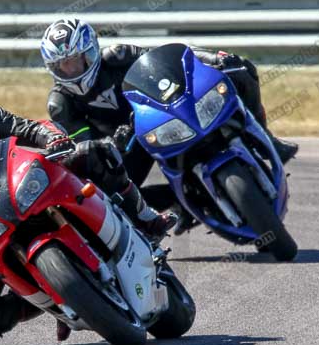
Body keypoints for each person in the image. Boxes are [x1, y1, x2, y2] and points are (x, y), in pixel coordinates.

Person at [0, 69, 174, 343]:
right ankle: (54, 301)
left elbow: (29, 128)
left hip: (25, 186)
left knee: (96, 153)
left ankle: (145, 218)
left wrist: (55, 139)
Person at [40, 18, 299, 230]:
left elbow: (167, 60)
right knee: (112, 199)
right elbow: (85, 145)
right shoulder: (61, 103)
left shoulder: (118, 55)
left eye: (75, 59)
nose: (70, 68)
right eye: (62, 65)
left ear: (91, 51)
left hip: (161, 118)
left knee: (242, 70)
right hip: (126, 147)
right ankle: (176, 207)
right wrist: (108, 145)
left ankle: (268, 139)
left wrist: (212, 58)